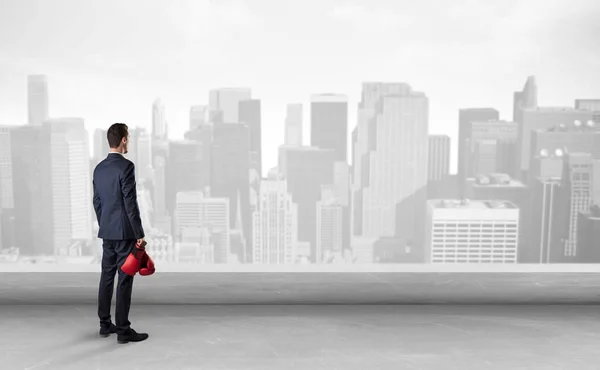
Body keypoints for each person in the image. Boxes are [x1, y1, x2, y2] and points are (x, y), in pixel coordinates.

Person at [93, 123, 149, 344]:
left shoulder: (98, 168)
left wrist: (105, 223)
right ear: (124, 140)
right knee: (125, 279)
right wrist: (139, 233)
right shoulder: (126, 167)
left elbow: (96, 201)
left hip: (107, 232)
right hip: (125, 233)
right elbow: (130, 203)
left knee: (106, 277)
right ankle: (124, 331)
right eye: (129, 138)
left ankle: (105, 324)